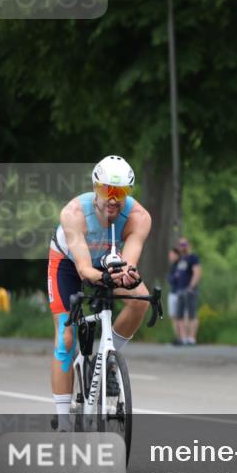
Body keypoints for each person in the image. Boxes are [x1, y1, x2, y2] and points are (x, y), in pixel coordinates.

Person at [47, 156, 151, 431]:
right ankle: (64, 423)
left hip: (107, 262)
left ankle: (107, 362)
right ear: (96, 188)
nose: (114, 199)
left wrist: (128, 275)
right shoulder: (74, 213)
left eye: (122, 193)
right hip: (69, 264)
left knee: (140, 300)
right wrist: (104, 274)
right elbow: (83, 269)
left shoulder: (139, 217)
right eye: (108, 191)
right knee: (66, 336)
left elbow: (128, 263)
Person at [173, 237, 202, 346]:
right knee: (179, 315)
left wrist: (191, 287)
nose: (182, 247)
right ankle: (183, 338)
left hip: (189, 290)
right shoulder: (181, 259)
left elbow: (197, 272)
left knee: (192, 314)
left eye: (184, 244)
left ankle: (191, 338)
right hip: (179, 290)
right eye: (180, 245)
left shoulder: (193, 258)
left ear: (188, 245)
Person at [167, 247, 183, 346]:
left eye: (172, 254)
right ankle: (178, 337)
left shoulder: (180, 265)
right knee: (173, 316)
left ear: (176, 255)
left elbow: (176, 279)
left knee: (178, 316)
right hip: (173, 292)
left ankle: (181, 338)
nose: (170, 257)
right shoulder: (174, 266)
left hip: (177, 293)